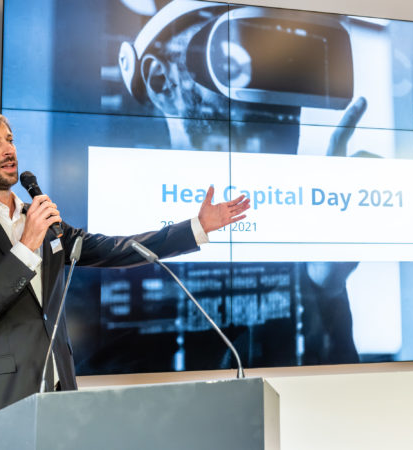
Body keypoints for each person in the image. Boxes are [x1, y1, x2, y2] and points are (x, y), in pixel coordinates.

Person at [0, 107, 250, 428]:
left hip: (57, 397)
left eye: (10, 140)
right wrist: (25, 248)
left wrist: (196, 227)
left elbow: (114, 249)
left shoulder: (40, 219)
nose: (9, 150)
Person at [119, 0, 368, 367]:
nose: (272, 101)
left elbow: (336, 388)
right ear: (161, 81)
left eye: (286, 71)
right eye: (234, 61)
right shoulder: (122, 239)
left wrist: (326, 286)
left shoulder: (299, 236)